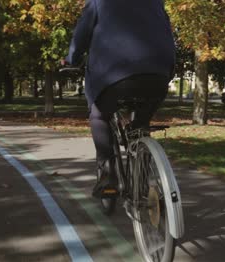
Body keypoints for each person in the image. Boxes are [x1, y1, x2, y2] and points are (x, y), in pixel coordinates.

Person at [64, 0, 176, 198]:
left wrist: (72, 59)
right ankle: (142, 177)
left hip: (116, 75)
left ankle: (107, 175)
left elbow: (81, 35)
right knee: (141, 124)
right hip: (158, 73)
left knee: (99, 115)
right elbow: (167, 34)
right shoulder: (156, 3)